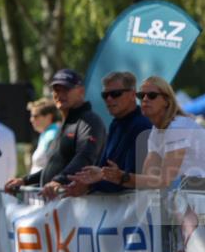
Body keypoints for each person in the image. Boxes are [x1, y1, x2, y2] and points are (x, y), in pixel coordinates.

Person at [71, 76, 205, 190]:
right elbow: (148, 179)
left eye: (152, 95)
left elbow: (164, 181)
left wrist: (122, 176)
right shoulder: (156, 131)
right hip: (192, 194)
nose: (145, 99)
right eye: (141, 96)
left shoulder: (178, 127)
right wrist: (104, 174)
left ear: (167, 101)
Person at [4, 69, 106, 201]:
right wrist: (25, 180)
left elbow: (85, 158)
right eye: (57, 90)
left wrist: (59, 181)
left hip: (76, 208)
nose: (60, 94)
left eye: (66, 89)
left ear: (81, 91)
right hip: (57, 206)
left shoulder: (89, 121)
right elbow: (56, 167)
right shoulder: (66, 123)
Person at [64, 71, 152, 196]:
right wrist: (86, 179)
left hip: (136, 209)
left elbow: (134, 179)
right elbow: (105, 169)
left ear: (132, 95)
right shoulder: (115, 124)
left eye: (115, 94)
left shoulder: (143, 126)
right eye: (105, 95)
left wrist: (90, 186)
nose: (109, 99)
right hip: (113, 208)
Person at [26, 98, 61, 174]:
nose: (31, 120)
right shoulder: (46, 134)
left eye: (35, 116)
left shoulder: (52, 135)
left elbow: (55, 167)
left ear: (48, 117)